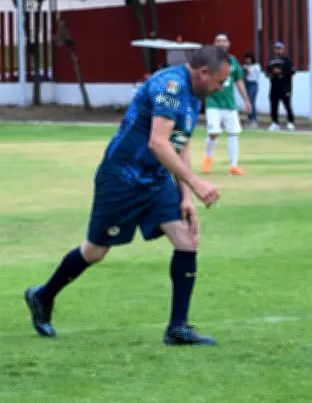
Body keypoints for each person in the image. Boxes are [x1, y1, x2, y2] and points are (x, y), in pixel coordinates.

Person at [24, 45, 228, 346]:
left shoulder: (195, 96)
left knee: (187, 239)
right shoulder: (169, 86)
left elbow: (179, 143)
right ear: (203, 73)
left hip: (155, 180)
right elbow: (158, 144)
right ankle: (42, 296)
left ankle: (177, 328)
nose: (220, 88)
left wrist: (185, 195)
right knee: (95, 251)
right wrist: (197, 183)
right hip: (122, 178)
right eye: (220, 81)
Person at [201, 32, 251, 176]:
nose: (221, 43)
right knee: (214, 132)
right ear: (214, 44)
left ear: (228, 44)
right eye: (218, 41)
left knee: (233, 133)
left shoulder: (233, 61)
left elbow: (239, 81)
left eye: (224, 40)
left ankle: (233, 166)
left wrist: (246, 99)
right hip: (213, 102)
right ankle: (208, 157)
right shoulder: (209, 60)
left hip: (229, 104)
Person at [267, 41, 295, 131]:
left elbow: (292, 71)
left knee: (287, 105)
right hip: (274, 87)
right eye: (276, 48)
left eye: (279, 48)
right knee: (274, 105)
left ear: (283, 49)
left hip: (285, 87)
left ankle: (290, 122)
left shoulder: (287, 60)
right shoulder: (271, 61)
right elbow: (268, 72)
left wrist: (281, 72)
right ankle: (275, 122)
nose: (277, 50)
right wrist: (271, 73)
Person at [242, 52, 260, 127]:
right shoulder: (245, 65)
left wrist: (248, 71)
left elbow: (256, 77)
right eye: (246, 59)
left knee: (252, 102)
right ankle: (250, 118)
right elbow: (244, 77)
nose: (247, 60)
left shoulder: (256, 66)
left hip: (253, 83)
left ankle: (254, 119)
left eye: (249, 59)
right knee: (248, 102)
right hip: (247, 83)